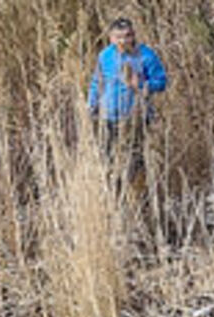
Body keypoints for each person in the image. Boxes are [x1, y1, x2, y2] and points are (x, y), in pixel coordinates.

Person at [87, 17, 168, 192]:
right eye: (119, 37)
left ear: (134, 35)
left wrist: (142, 85)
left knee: (134, 158)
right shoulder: (105, 56)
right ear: (111, 38)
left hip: (135, 116)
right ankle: (113, 191)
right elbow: (97, 82)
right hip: (108, 115)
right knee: (106, 158)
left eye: (128, 36)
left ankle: (132, 191)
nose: (124, 41)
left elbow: (161, 82)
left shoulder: (146, 55)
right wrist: (91, 105)